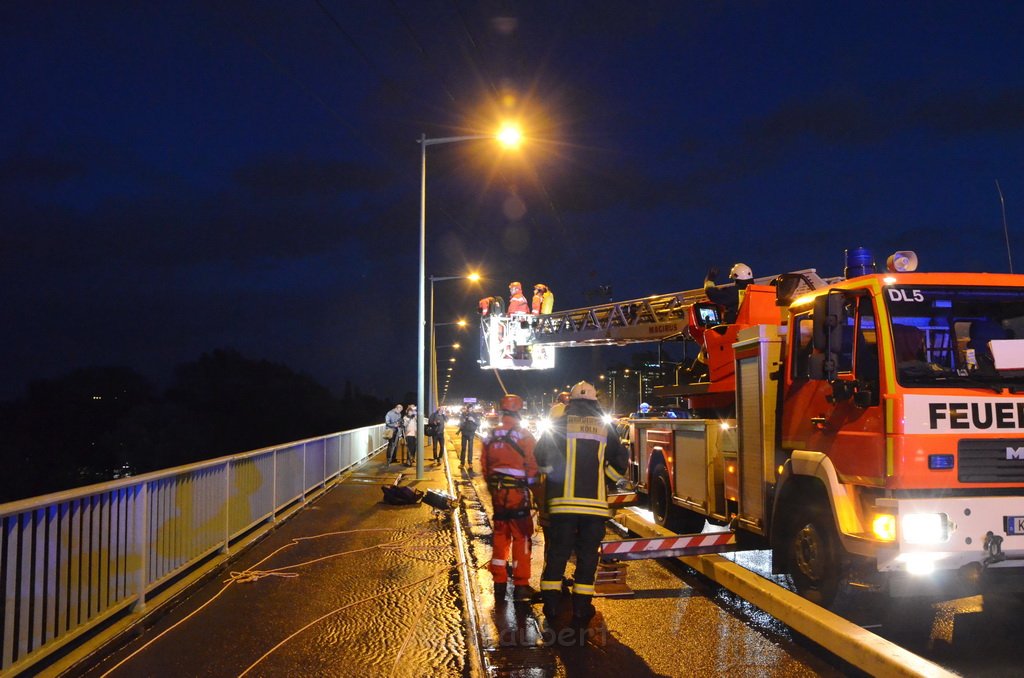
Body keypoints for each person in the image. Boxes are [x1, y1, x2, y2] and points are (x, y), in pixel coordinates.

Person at [535, 380, 629, 632]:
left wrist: (553, 478)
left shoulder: (557, 424)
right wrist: (604, 478)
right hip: (594, 507)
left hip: (562, 505)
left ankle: (552, 607)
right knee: (588, 557)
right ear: (594, 403)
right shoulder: (604, 427)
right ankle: (580, 610)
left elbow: (540, 456)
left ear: (572, 402)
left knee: (558, 554)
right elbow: (620, 462)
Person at [481, 394, 539, 602]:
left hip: (498, 494)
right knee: (521, 537)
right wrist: (531, 488)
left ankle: (499, 583)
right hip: (517, 494)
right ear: (519, 411)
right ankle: (521, 586)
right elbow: (532, 466)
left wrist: (493, 489)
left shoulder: (490, 435)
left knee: (500, 534)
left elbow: (484, 467)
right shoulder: (524, 436)